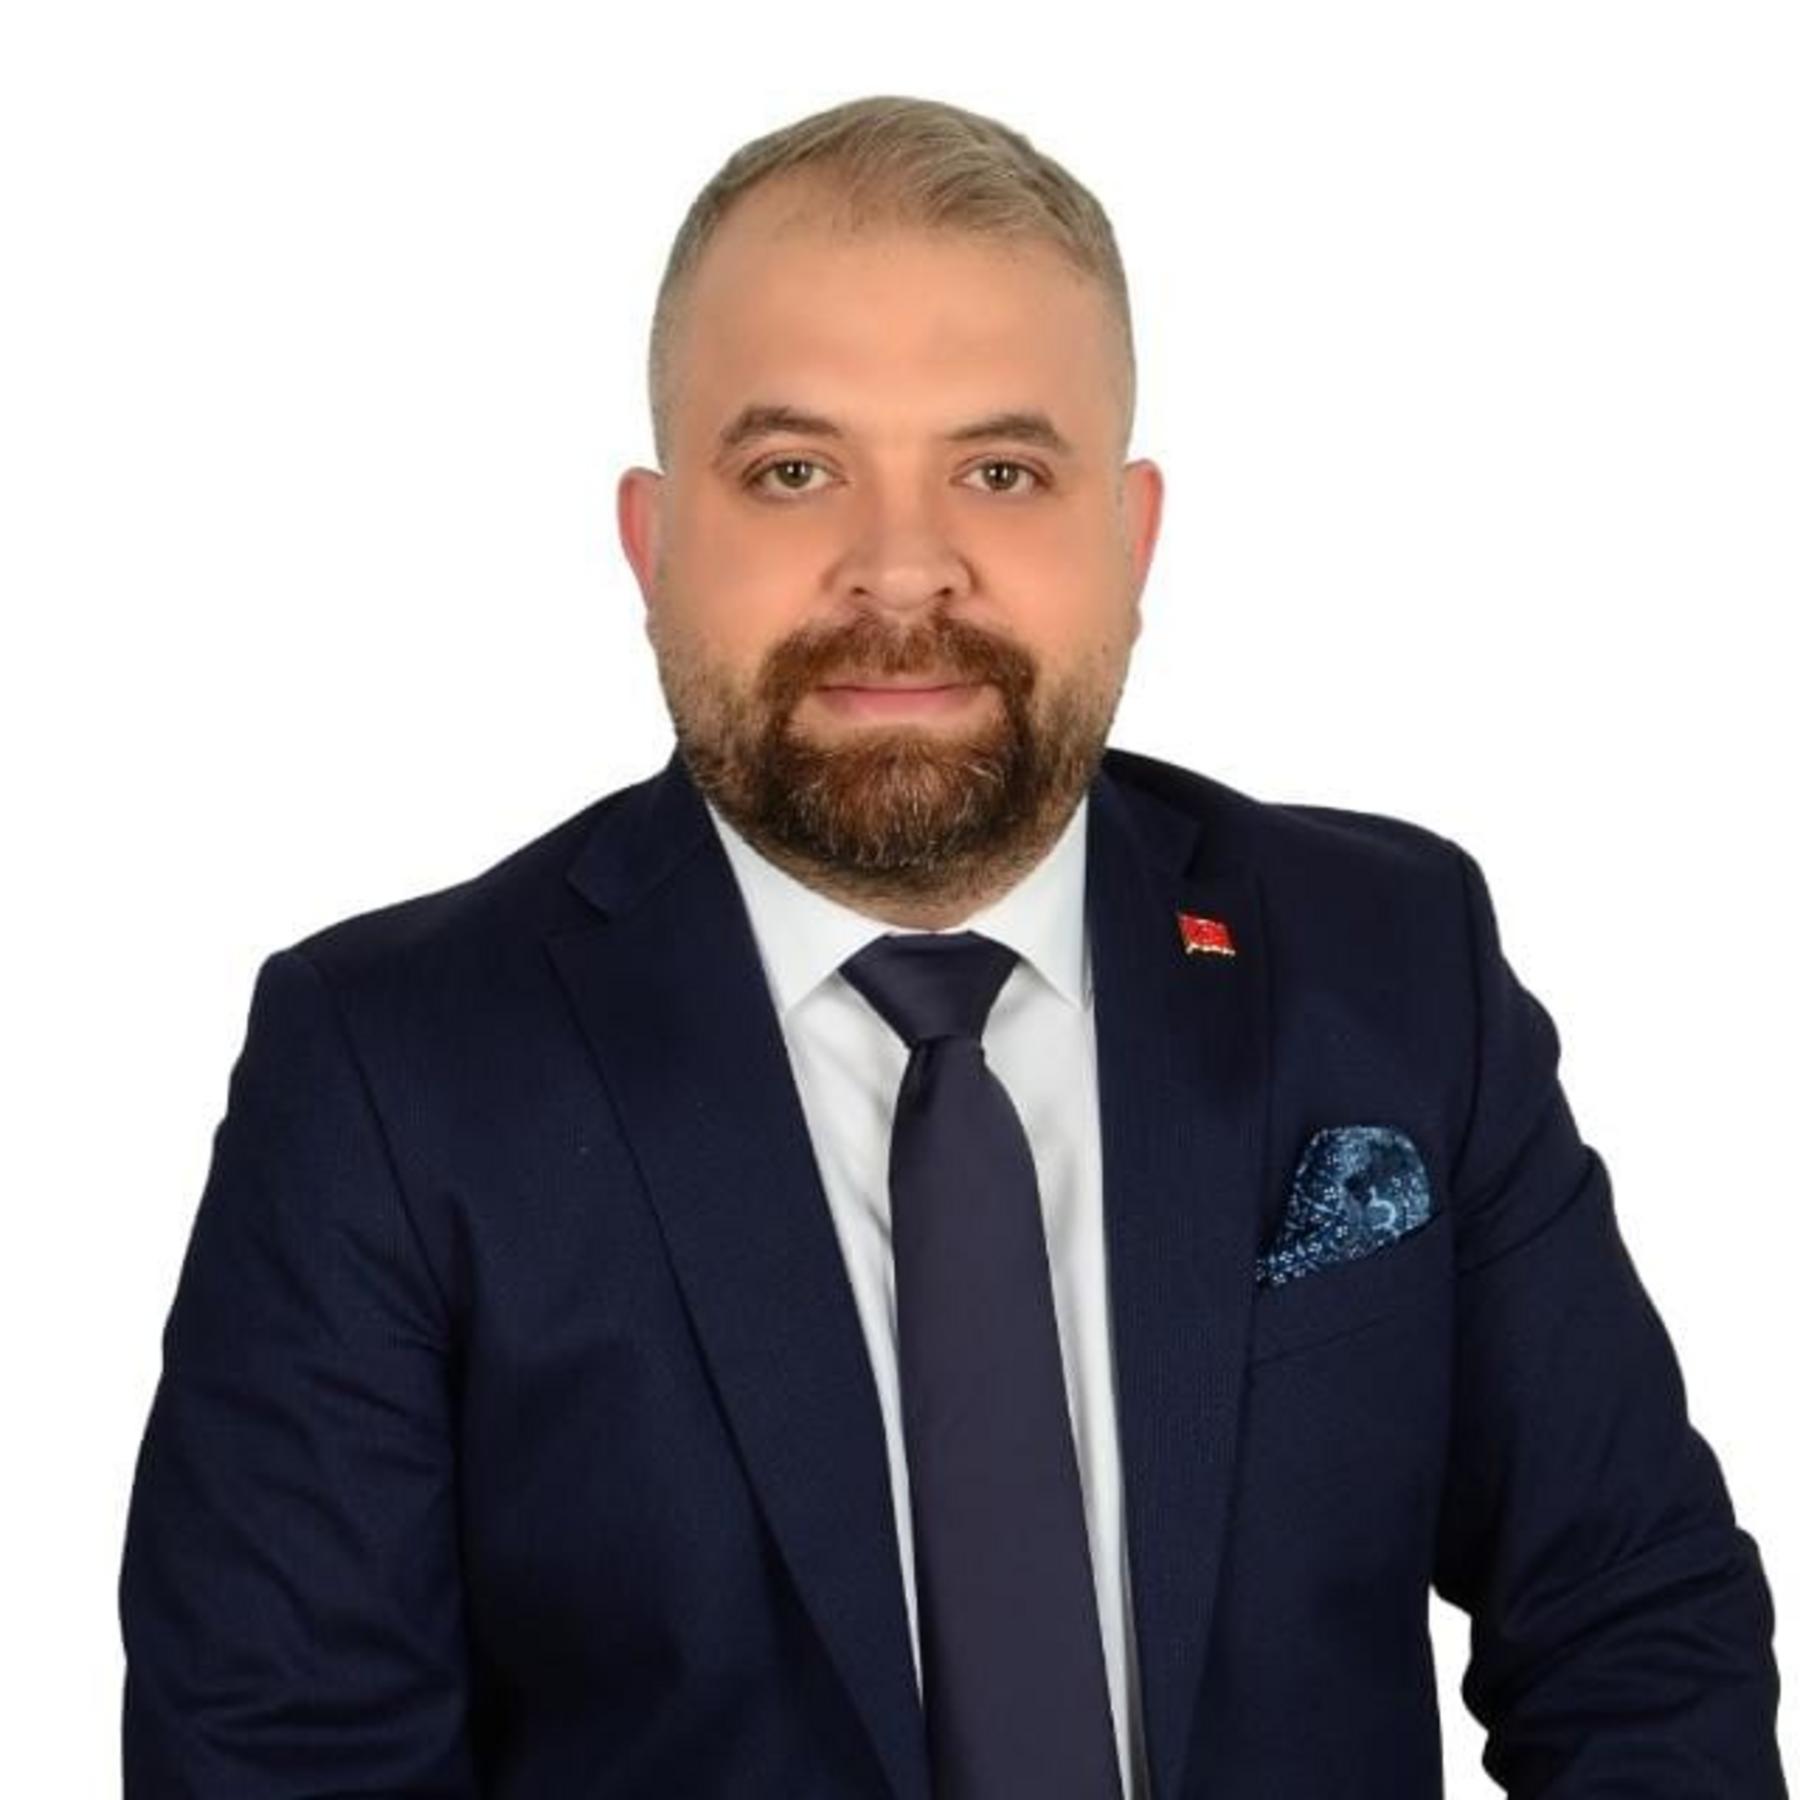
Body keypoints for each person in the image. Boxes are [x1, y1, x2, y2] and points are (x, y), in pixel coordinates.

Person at [118, 93, 1785, 1798]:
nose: (902, 573)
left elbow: (1634, 1628)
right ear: (654, 545)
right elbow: (281, 1763)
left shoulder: (1392, 962)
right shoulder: (392, 1072)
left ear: (1130, 538)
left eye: (1001, 472)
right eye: (794, 472)